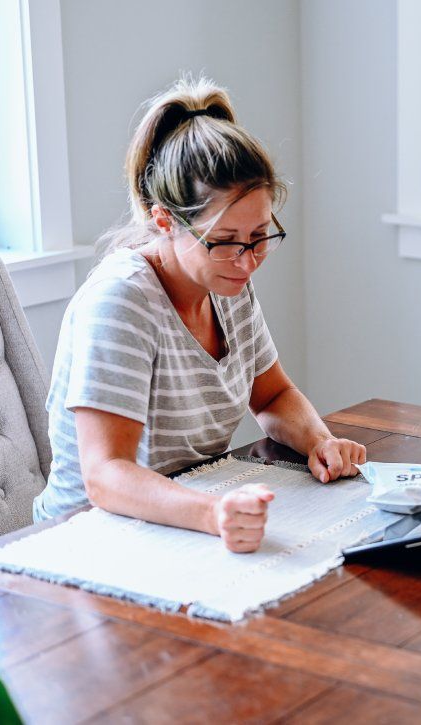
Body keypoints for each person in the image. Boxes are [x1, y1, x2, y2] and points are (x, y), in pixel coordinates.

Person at [33, 77, 366, 552]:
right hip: (84, 540)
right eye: (226, 241)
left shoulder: (227, 283)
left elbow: (272, 396)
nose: (247, 261)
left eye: (259, 236)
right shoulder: (121, 301)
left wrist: (318, 440)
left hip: (177, 522)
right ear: (164, 220)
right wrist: (213, 514)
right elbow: (106, 476)